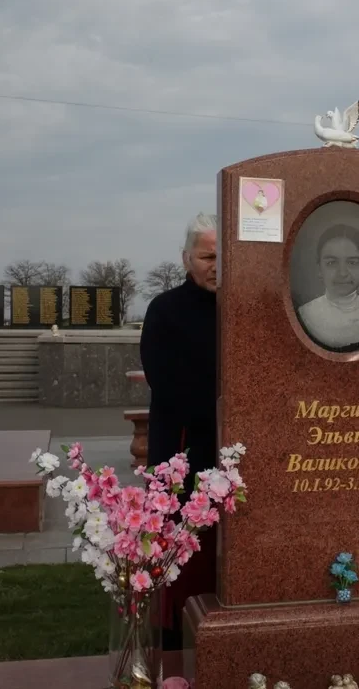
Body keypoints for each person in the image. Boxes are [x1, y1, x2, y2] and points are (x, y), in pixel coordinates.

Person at [139, 211, 218, 650]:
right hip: (184, 451)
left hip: (235, 452)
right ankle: (175, 644)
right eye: (208, 257)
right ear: (186, 258)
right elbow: (167, 384)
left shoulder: (248, 307)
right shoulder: (165, 311)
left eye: (224, 257)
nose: (217, 267)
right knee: (182, 556)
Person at [297, 223, 359, 350]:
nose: (342, 273)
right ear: (319, 269)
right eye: (331, 263)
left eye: (352, 262)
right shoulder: (306, 314)